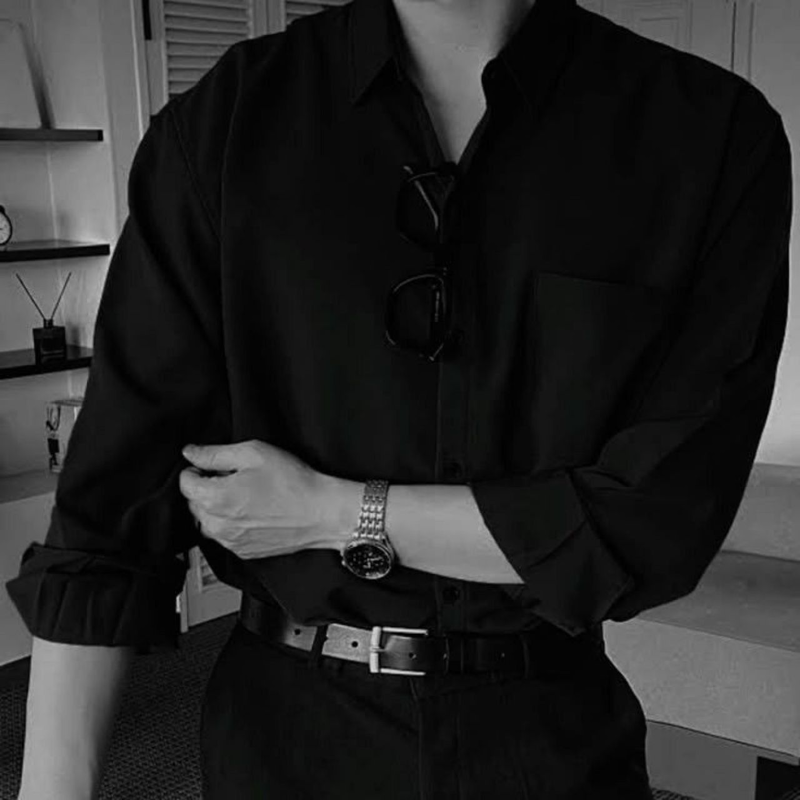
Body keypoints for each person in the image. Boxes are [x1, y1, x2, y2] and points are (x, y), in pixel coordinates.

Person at [6, 0, 793, 797]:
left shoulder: (711, 135)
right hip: (284, 742)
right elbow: (106, 524)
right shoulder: (227, 122)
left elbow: (654, 525)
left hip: (552, 744)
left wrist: (334, 512)